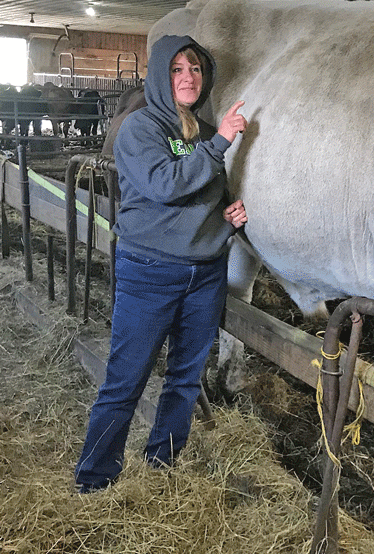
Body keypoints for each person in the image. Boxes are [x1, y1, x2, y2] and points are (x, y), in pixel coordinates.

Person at [74, 34, 248, 493]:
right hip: (149, 272)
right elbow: (165, 185)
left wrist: (230, 219)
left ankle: (161, 465)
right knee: (125, 380)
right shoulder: (141, 129)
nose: (188, 77)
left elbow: (208, 197)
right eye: (176, 69)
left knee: (185, 380)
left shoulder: (208, 135)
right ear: (158, 76)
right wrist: (220, 146)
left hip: (205, 274)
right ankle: (94, 480)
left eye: (195, 68)